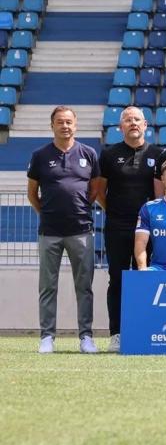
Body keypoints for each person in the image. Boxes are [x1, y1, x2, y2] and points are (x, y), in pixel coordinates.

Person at [27, 105, 101, 354]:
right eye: (60, 122)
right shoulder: (40, 155)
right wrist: (47, 213)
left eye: (69, 122)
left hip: (81, 231)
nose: (65, 126)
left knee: (84, 287)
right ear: (52, 125)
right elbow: (32, 193)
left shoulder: (89, 153)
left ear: (75, 125)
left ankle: (86, 337)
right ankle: (47, 337)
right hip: (49, 232)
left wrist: (78, 209)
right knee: (48, 287)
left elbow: (94, 190)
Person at [96, 106, 161, 353]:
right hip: (118, 227)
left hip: (149, 229)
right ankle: (117, 334)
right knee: (118, 279)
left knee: (148, 278)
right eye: (127, 120)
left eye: (137, 119)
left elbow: (159, 195)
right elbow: (99, 192)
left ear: (145, 125)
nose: (133, 123)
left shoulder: (157, 154)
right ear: (120, 126)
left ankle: (148, 330)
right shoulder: (109, 155)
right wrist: (116, 211)